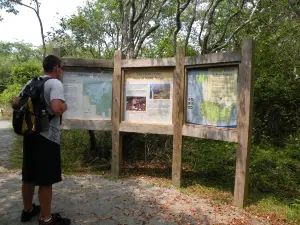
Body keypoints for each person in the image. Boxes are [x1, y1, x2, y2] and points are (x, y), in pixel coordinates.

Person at [15, 55, 71, 225]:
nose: (61, 71)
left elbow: (16, 102)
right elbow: (56, 107)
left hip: (30, 135)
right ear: (56, 68)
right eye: (61, 68)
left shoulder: (31, 82)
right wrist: (64, 106)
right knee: (46, 180)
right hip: (47, 138)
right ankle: (46, 219)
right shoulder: (55, 83)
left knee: (29, 176)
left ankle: (28, 211)